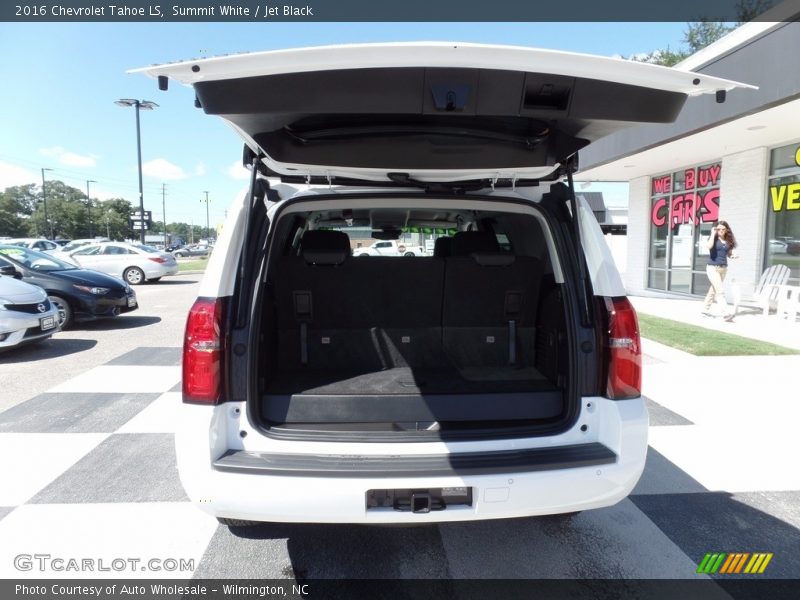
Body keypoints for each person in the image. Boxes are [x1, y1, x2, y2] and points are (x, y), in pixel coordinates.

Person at [702, 220, 738, 321]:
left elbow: (729, 253)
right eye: (719, 229)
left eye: (723, 229)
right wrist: (713, 234)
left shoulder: (728, 241)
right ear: (715, 229)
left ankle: (704, 310)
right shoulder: (713, 238)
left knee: (713, 290)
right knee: (720, 291)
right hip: (712, 268)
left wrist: (733, 255)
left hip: (723, 268)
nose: (721, 231)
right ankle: (725, 313)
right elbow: (709, 247)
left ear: (726, 230)